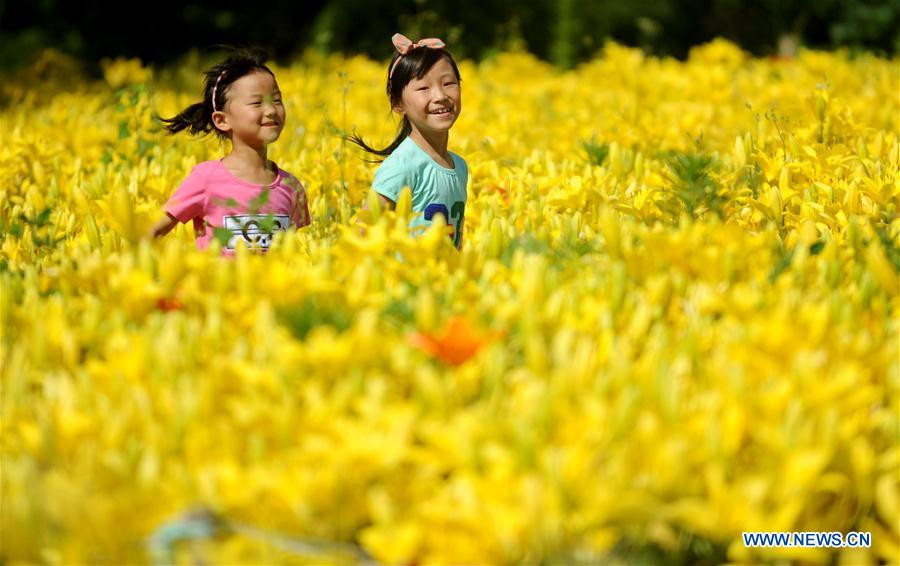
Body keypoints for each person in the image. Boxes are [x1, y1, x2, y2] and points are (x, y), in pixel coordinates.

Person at [148, 47, 309, 254]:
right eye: (257, 103)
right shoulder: (205, 179)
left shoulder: (291, 187)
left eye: (276, 100)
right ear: (222, 120)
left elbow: (300, 253)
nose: (270, 110)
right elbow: (153, 232)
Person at [349, 33, 468, 249]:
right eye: (424, 88)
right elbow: (361, 234)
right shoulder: (402, 165)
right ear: (397, 104)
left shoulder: (460, 166)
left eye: (449, 83)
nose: (440, 95)